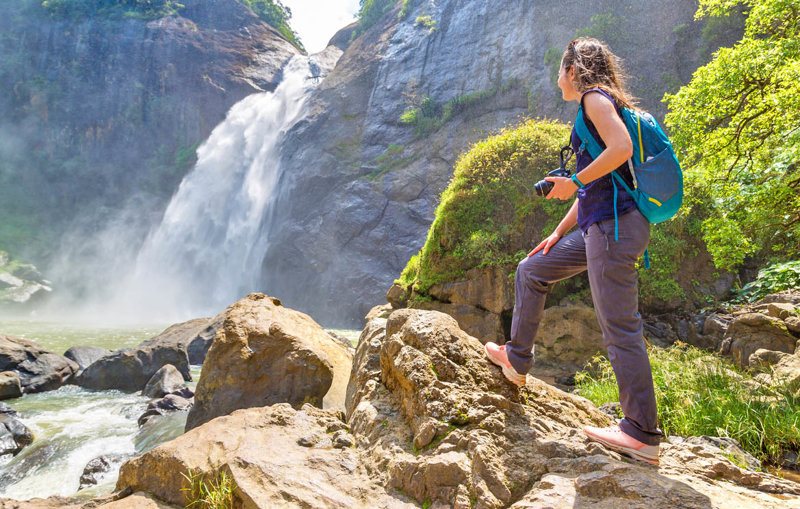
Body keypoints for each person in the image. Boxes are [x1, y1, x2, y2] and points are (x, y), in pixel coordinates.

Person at [484, 37, 662, 465]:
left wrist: (575, 181)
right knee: (532, 269)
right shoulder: (596, 106)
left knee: (620, 327)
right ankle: (517, 360)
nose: (557, 79)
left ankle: (641, 433)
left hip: (614, 229)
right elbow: (599, 185)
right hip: (601, 226)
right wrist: (557, 232)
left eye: (559, 71)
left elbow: (620, 150)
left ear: (572, 70)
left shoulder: (593, 99)